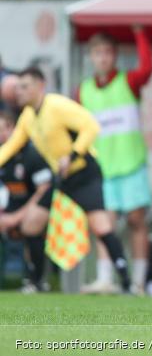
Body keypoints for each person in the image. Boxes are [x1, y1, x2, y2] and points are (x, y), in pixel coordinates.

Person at [0, 67, 133, 292]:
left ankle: (128, 283)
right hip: (61, 179)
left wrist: (72, 155)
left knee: (101, 227)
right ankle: (37, 283)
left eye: (24, 86)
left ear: (40, 86)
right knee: (32, 225)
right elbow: (10, 147)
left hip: (84, 172)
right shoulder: (28, 116)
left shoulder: (57, 105)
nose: (19, 92)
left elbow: (91, 126)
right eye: (17, 87)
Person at [77, 27, 152, 295]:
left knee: (136, 222)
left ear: (115, 56)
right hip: (103, 169)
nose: (103, 58)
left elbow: (146, 68)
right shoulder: (84, 91)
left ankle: (139, 281)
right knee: (104, 225)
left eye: (108, 53)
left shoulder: (128, 81)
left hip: (131, 164)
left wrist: (138, 32)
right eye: (97, 53)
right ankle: (105, 279)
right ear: (91, 57)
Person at [0, 110, 53, 292]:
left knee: (31, 225)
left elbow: (44, 189)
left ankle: (37, 280)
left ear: (14, 129)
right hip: (13, 207)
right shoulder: (3, 156)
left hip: (40, 205)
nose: (1, 136)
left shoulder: (31, 155)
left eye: (2, 130)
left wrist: (15, 217)